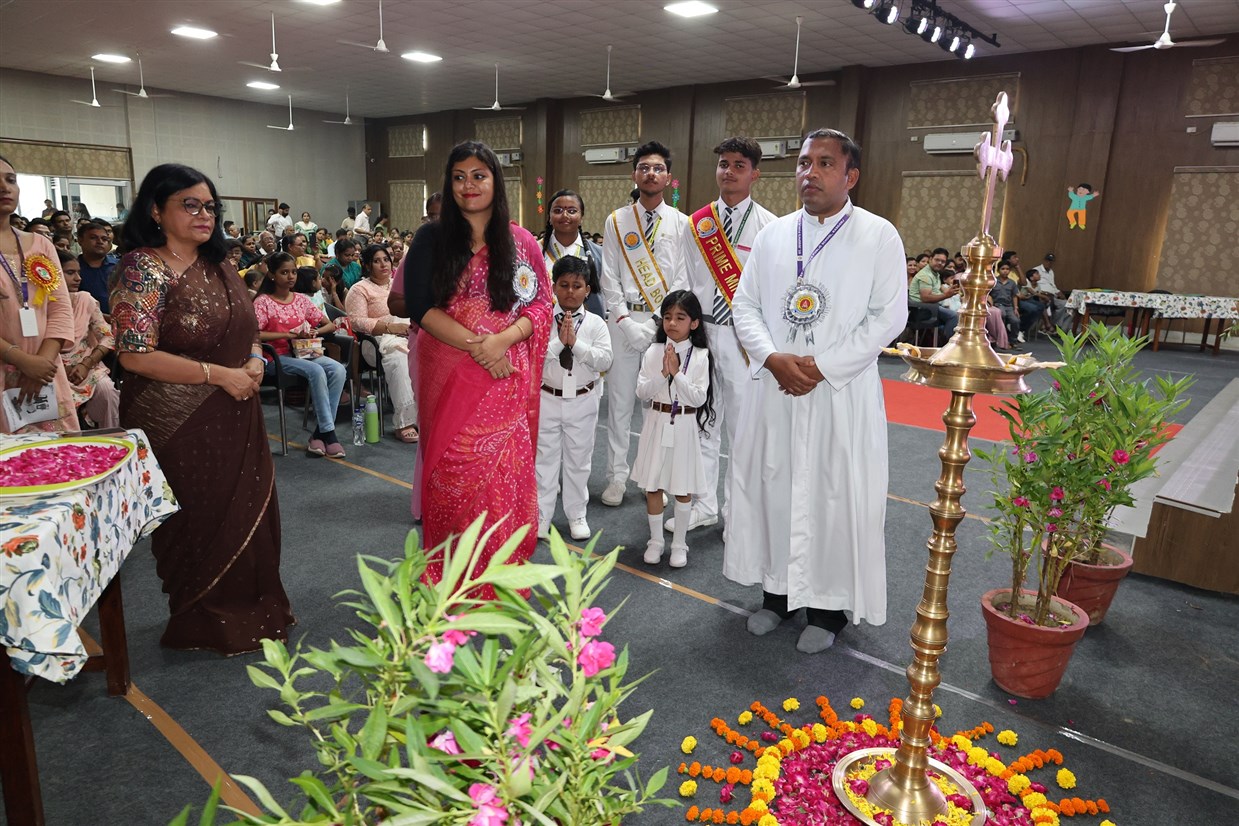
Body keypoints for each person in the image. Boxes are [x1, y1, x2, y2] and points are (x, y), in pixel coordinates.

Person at [723, 129, 907, 654]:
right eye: (804, 162)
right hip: (777, 388)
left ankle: (828, 609)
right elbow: (745, 306)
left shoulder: (878, 236)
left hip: (838, 394)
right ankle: (776, 595)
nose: (811, 172)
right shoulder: (774, 236)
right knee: (775, 485)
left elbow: (888, 316)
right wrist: (773, 358)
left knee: (834, 494)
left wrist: (824, 367)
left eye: (825, 163)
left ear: (851, 176)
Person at [109, 162, 292, 653]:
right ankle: (201, 621)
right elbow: (134, 354)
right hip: (176, 420)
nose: (204, 214)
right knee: (198, 520)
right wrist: (219, 375)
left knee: (248, 512)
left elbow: (248, 327)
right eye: (189, 205)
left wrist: (253, 359)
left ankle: (254, 608)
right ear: (155, 210)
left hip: (236, 408)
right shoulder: (142, 267)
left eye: (210, 206)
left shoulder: (221, 265)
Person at [397, 140, 552, 599]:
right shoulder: (431, 238)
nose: (468, 185)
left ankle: (499, 578)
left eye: (478, 175)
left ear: (495, 182)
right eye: (459, 177)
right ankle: (452, 579)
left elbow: (542, 304)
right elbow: (420, 306)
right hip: (449, 372)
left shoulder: (522, 242)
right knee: (452, 473)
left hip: (505, 377)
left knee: (503, 475)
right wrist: (480, 347)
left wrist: (502, 341)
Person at [672, 136, 777, 533]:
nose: (728, 172)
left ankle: (738, 509)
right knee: (702, 423)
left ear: (755, 174)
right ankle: (704, 504)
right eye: (723, 164)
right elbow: (685, 280)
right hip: (703, 335)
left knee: (742, 428)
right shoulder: (696, 224)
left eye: (738, 165)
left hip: (743, 340)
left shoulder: (770, 227)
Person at [598, 140, 691, 507]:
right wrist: (625, 321)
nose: (651, 173)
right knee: (619, 405)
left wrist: (655, 323)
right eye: (644, 167)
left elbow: (681, 278)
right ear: (634, 174)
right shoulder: (616, 220)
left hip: (662, 324)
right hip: (622, 323)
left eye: (658, 168)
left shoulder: (682, 223)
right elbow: (608, 276)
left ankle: (653, 478)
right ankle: (616, 477)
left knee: (658, 407)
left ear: (668, 177)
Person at [632, 290, 713, 569]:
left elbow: (698, 398)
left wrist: (677, 373)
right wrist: (663, 373)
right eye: (667, 317)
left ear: (694, 323)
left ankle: (679, 543)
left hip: (684, 424)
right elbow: (642, 392)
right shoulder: (653, 352)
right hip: (657, 421)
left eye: (680, 317)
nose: (672, 323)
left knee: (682, 486)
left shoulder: (701, 355)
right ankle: (655, 541)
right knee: (653, 484)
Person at [535, 256, 613, 542]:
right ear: (553, 287)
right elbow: (533, 360)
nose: (570, 291)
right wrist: (559, 343)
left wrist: (576, 345)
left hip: (583, 399)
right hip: (548, 396)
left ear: (587, 290)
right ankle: (541, 515)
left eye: (577, 286)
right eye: (564, 285)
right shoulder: (542, 320)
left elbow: (605, 359)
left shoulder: (596, 324)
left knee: (579, 461)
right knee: (544, 460)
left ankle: (577, 514)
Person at [0, 155, 79, 434]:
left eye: (10, 180)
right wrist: (23, 362)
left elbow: (61, 308)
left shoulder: (41, 244)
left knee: (56, 453)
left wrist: (42, 364)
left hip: (46, 369)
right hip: (6, 365)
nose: (4, 187)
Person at [254, 251, 346, 457]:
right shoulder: (263, 302)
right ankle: (329, 434)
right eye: (284, 272)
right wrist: (288, 334)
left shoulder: (301, 300)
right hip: (276, 357)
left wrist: (314, 332)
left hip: (304, 352)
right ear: (272, 275)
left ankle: (320, 433)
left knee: (338, 369)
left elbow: (329, 324)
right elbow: (255, 333)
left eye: (293, 272)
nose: (291, 277)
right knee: (316, 371)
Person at [346, 244, 419, 442]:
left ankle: (427, 416)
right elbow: (356, 321)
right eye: (377, 261)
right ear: (367, 265)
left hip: (407, 333)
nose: (383, 264)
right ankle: (404, 422)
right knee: (399, 359)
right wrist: (390, 327)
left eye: (386, 259)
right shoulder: (359, 289)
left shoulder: (399, 284)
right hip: (375, 341)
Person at [57, 250, 118, 427]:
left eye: (79, 273)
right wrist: (61, 370)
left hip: (87, 366)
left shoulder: (84, 300)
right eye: (70, 273)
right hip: (52, 371)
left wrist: (86, 364)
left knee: (107, 391)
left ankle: (111, 438)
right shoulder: (38, 305)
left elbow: (108, 337)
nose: (78, 278)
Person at [540, 189, 605, 318]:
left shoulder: (598, 254)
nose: (565, 215)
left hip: (586, 325)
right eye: (558, 210)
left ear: (581, 217)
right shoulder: (535, 251)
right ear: (549, 217)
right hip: (543, 323)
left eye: (572, 211)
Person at [908, 247, 958, 340]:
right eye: (937, 260)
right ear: (930, 259)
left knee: (958, 313)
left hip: (931, 306)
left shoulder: (935, 273)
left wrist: (947, 291)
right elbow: (925, 298)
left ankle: (941, 340)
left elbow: (937, 288)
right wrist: (946, 295)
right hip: (921, 309)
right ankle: (947, 345)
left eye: (943, 261)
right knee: (953, 316)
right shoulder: (925, 275)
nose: (940, 263)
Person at [77, 220, 120, 313]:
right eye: (93, 238)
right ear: (80, 240)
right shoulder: (73, 268)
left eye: (104, 239)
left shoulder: (119, 266)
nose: (100, 242)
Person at [989, 259, 1020, 344]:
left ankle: (1013, 340)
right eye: (1003, 269)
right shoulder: (994, 281)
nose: (1005, 271)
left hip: (1009, 306)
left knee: (1015, 320)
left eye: (1007, 269)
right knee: (1002, 314)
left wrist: (1016, 308)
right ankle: (1001, 340)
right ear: (998, 270)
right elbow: (989, 294)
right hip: (997, 305)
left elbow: (1014, 296)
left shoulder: (1012, 283)